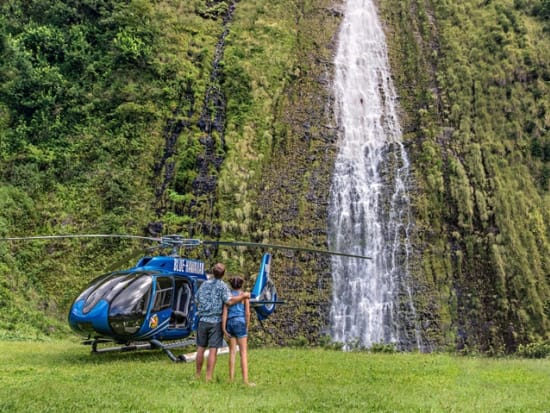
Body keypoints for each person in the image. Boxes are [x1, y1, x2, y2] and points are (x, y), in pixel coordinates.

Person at [195, 263, 250, 382]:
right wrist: (244, 296)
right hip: (215, 321)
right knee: (213, 349)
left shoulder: (204, 284)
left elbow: (196, 299)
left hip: (202, 320)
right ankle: (208, 378)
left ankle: (198, 375)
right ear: (223, 274)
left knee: (200, 348)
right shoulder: (223, 286)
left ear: (213, 272)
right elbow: (229, 302)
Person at [222, 276, 254, 386]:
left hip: (230, 323)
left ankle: (231, 379)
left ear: (231, 285)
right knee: (243, 353)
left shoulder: (228, 296)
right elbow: (247, 313)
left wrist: (224, 327)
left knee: (232, 353)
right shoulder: (244, 296)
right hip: (240, 322)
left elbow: (225, 312)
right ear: (241, 285)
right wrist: (247, 325)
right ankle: (245, 381)